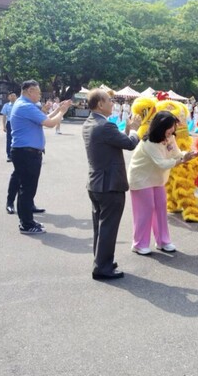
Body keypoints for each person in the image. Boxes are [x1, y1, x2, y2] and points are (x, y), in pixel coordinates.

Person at [82, 88, 140, 281]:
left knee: (100, 226)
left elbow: (117, 141)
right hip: (110, 184)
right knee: (108, 227)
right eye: (109, 100)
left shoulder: (91, 123)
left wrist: (128, 130)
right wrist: (137, 130)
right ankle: (103, 268)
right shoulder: (105, 126)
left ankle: (101, 261)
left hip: (96, 183)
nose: (112, 103)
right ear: (100, 104)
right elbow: (130, 144)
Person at [127, 111, 198, 256]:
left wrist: (188, 155)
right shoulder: (149, 142)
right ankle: (139, 244)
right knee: (146, 210)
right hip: (141, 179)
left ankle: (163, 241)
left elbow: (177, 154)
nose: (172, 130)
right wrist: (182, 160)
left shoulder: (170, 138)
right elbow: (162, 163)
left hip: (157, 179)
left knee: (160, 208)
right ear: (160, 127)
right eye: (169, 127)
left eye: (173, 127)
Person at [10, 80, 71, 234]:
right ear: (30, 91)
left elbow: (44, 118)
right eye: (38, 92)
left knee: (27, 188)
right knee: (27, 189)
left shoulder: (24, 105)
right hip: (26, 153)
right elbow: (49, 123)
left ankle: (27, 220)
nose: (39, 95)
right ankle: (26, 224)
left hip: (25, 152)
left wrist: (59, 110)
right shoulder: (26, 106)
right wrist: (62, 112)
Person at [1, 92, 17, 162]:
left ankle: (18, 155)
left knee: (18, 139)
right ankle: (9, 155)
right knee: (9, 140)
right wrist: (4, 126)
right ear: (8, 97)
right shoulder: (6, 106)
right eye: (11, 96)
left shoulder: (19, 105)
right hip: (10, 123)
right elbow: (4, 116)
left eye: (14, 96)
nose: (13, 97)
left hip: (18, 124)